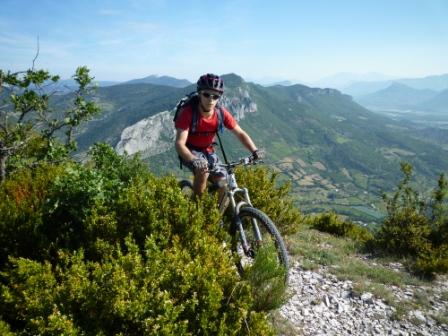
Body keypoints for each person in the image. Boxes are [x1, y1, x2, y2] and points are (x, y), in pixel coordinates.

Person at [175, 73, 263, 198]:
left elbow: (240, 133)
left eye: (215, 96)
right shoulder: (188, 113)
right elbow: (179, 144)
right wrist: (194, 160)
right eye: (206, 94)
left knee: (224, 181)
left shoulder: (221, 113)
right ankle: (197, 207)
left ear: (219, 97)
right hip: (189, 150)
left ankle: (217, 212)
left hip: (208, 150)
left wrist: (254, 150)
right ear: (199, 94)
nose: (211, 99)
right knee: (203, 172)